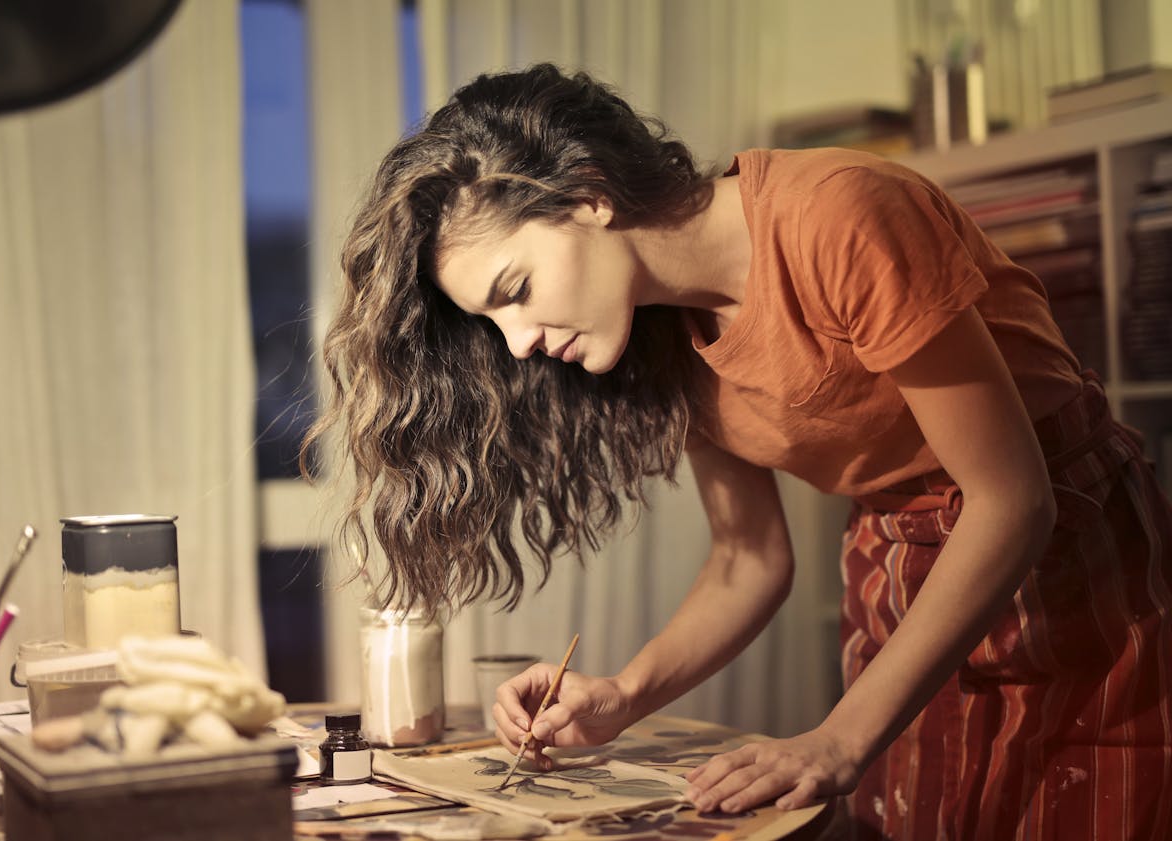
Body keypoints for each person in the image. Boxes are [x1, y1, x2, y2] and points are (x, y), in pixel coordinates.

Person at [304, 63, 1172, 840]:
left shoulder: (840, 214)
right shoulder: (661, 337)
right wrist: (622, 696)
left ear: (588, 192)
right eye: (493, 323)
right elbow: (748, 556)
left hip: (1073, 562)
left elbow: (1011, 502)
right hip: (898, 573)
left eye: (516, 292)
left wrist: (838, 735)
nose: (518, 341)